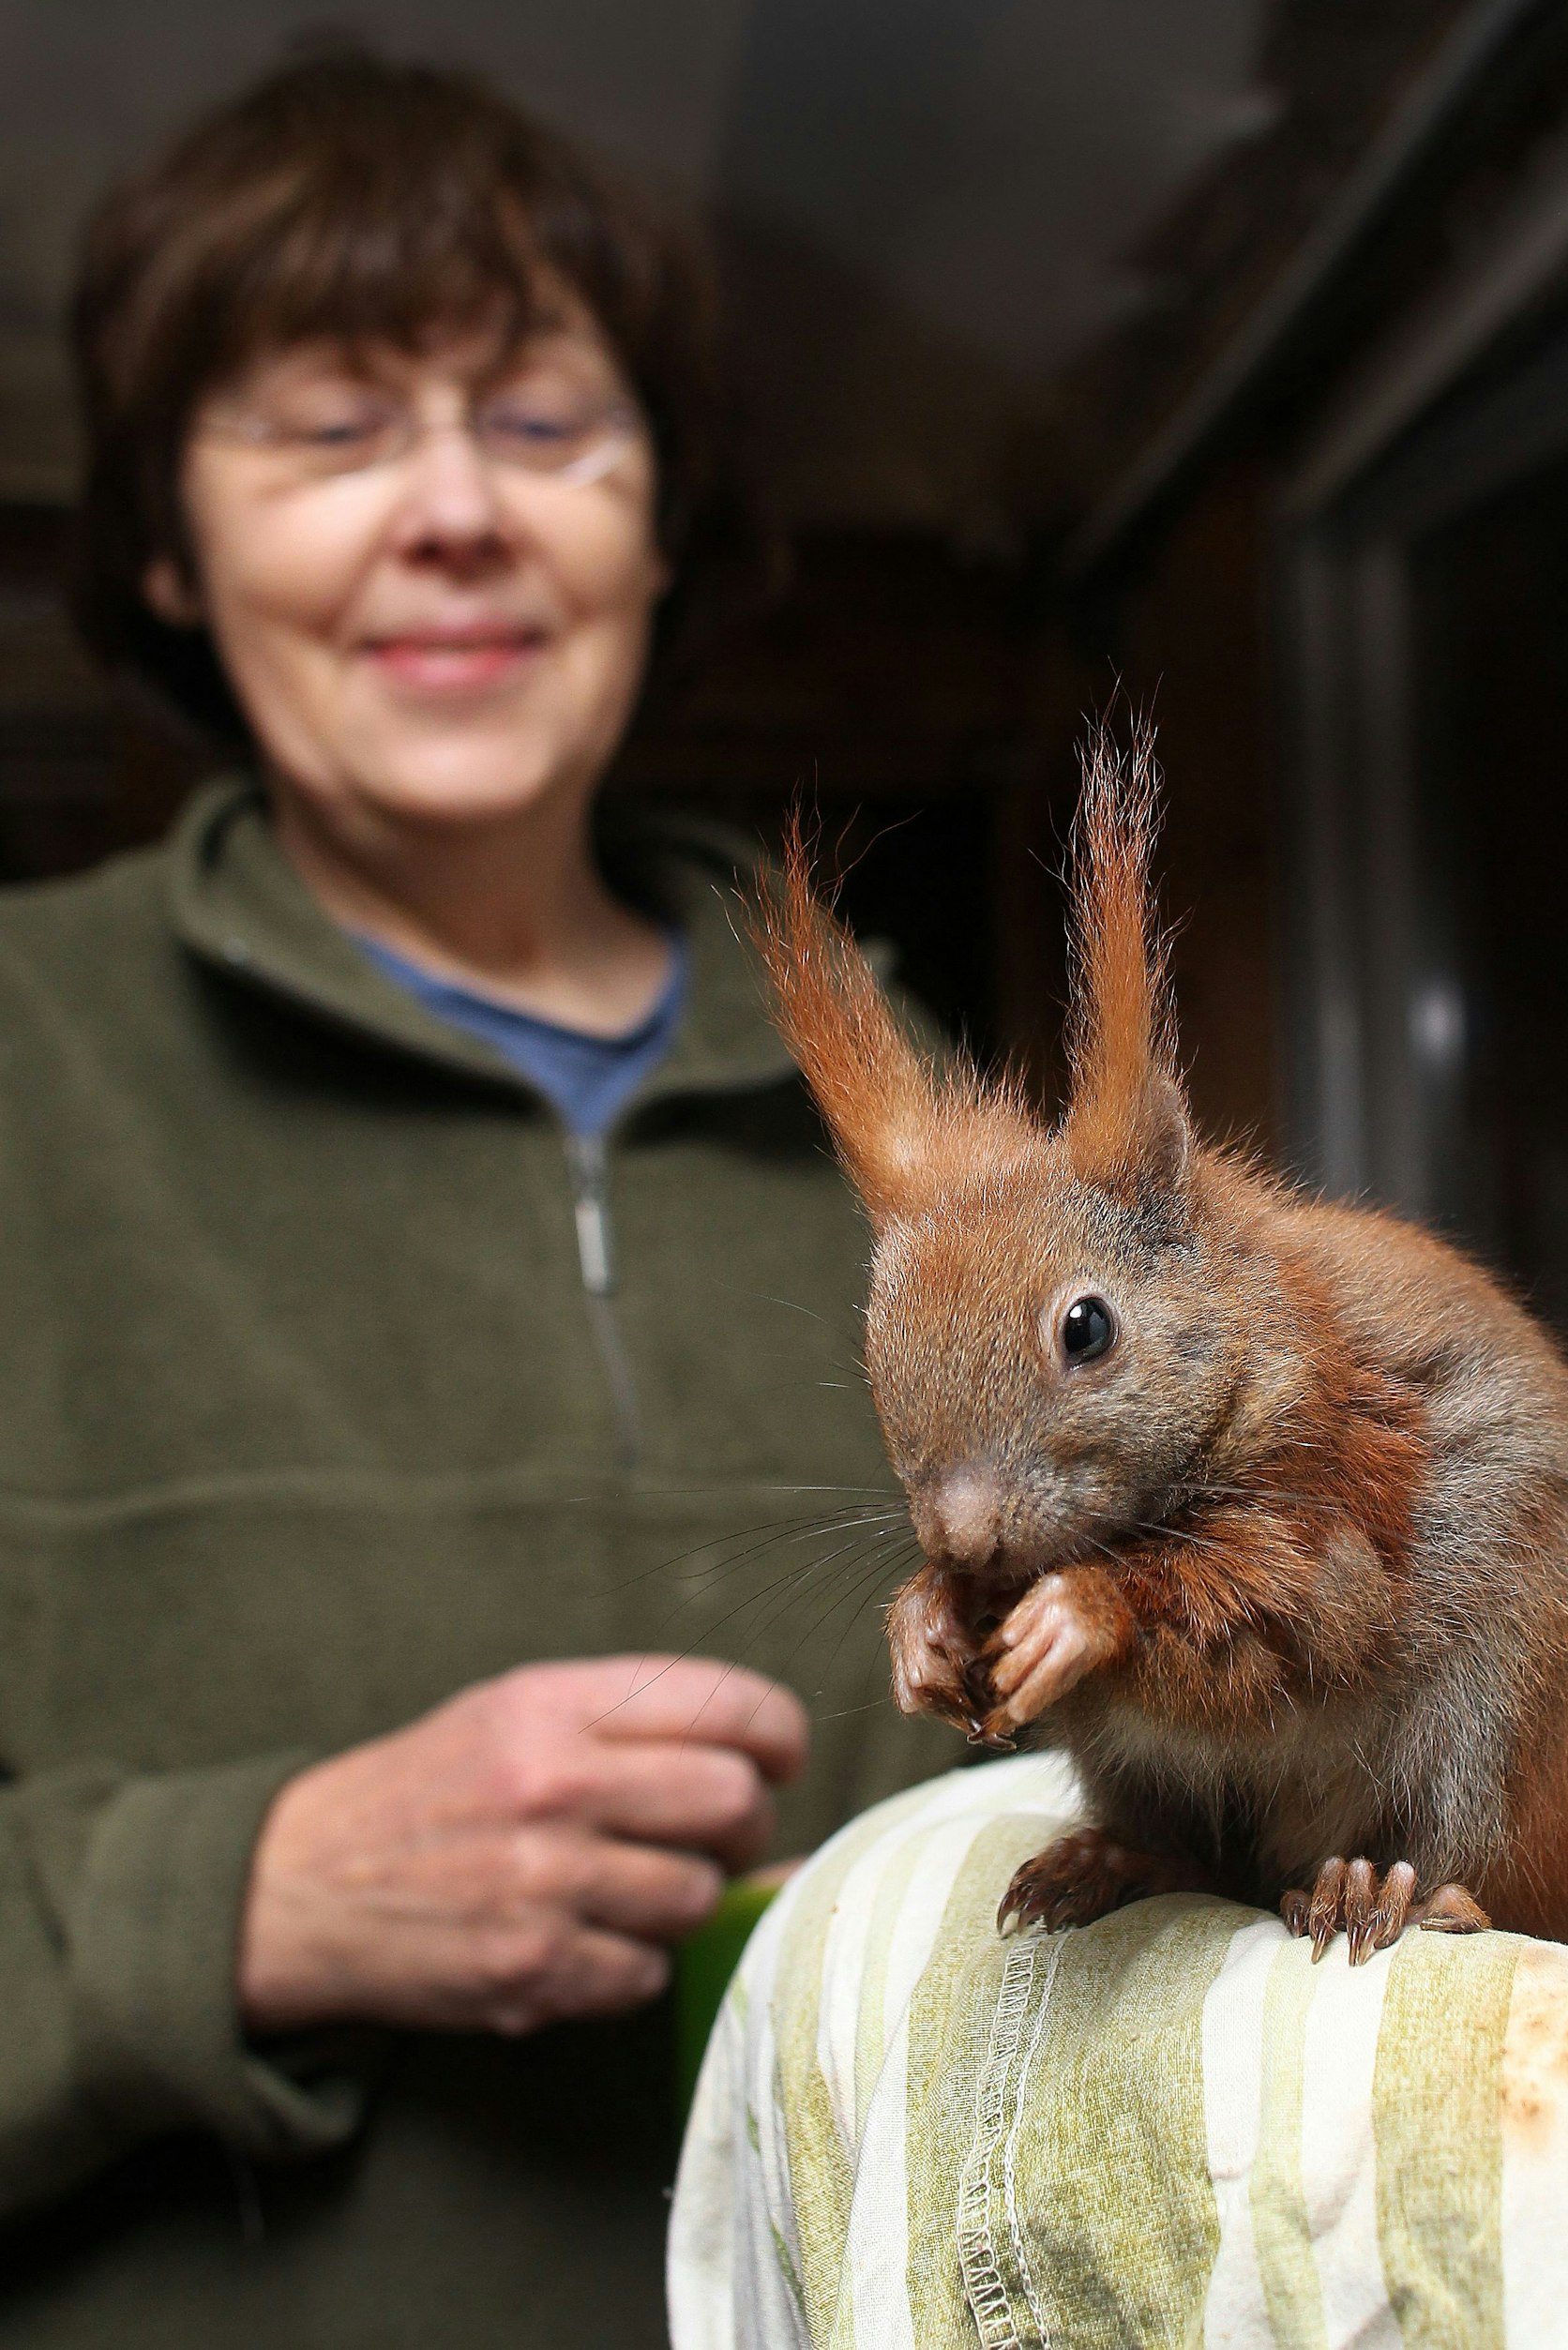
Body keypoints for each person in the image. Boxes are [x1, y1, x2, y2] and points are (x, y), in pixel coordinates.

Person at [0, 48, 942, 2346]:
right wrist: (234, 1897)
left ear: (655, 521)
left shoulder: (923, 1104)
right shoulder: (31, 1058)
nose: (454, 513)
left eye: (542, 426)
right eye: (327, 431)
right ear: (162, 545)